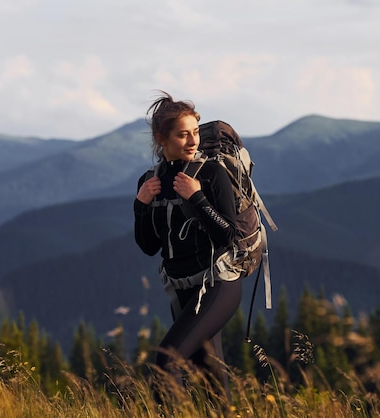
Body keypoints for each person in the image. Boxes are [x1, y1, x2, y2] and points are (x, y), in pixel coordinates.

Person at [133, 91, 241, 402]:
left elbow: (228, 236)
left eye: (194, 132)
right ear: (161, 138)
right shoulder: (149, 180)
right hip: (180, 290)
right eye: (183, 134)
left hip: (219, 285)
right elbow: (149, 246)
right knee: (211, 383)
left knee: (167, 361)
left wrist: (197, 198)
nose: (192, 141)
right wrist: (140, 204)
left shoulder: (210, 174)